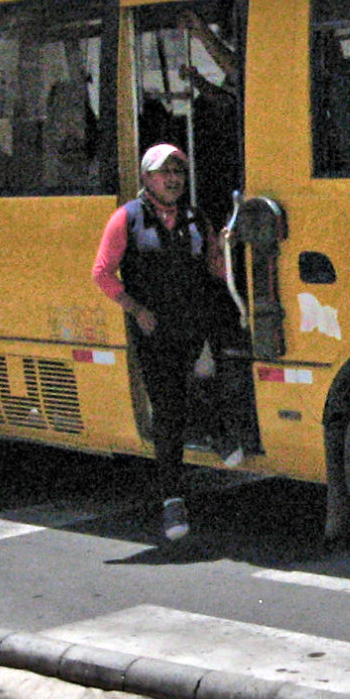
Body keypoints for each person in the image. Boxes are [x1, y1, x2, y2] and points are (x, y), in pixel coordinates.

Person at [92, 143, 241, 542]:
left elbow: (215, 267)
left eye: (178, 171)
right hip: (155, 331)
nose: (172, 179)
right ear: (146, 178)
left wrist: (227, 257)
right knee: (169, 411)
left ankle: (214, 430)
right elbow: (103, 274)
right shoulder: (126, 219)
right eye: (163, 172)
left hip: (196, 323)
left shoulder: (195, 217)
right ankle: (172, 498)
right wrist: (135, 309)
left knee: (205, 383)